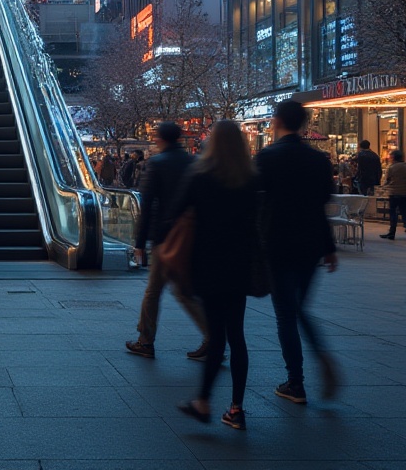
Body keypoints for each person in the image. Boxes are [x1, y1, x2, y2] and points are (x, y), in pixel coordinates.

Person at [173, 121, 258, 430]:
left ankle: (204, 401)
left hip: (208, 264)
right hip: (239, 265)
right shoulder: (250, 180)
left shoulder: (200, 177)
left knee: (217, 335)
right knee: (237, 335)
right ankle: (236, 408)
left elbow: (176, 212)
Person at [256, 99, 338, 404]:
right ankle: (321, 354)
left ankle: (296, 381)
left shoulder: (268, 157)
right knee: (300, 308)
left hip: (277, 243)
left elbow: (255, 199)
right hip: (310, 246)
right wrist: (329, 249)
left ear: (277, 121)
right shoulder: (319, 161)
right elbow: (320, 208)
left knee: (286, 315)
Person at [126, 122, 209, 361]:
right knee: (184, 290)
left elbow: (147, 204)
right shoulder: (194, 162)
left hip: (164, 237)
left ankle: (145, 341)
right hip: (188, 234)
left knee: (155, 290)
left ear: (160, 139)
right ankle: (212, 338)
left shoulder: (156, 164)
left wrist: (140, 242)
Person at [379, 149, 406, 239]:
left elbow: (387, 180)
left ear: (393, 157)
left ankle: (392, 232)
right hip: (404, 193)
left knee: (393, 212)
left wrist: (383, 187)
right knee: (404, 212)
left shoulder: (391, 167)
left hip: (393, 192)